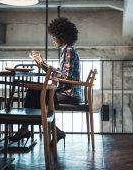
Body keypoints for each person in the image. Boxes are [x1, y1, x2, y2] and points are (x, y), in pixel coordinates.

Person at [9, 17, 82, 145]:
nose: (53, 39)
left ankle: (27, 129)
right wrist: (43, 65)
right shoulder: (66, 50)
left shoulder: (69, 50)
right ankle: (43, 130)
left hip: (70, 94)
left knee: (36, 94)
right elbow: (61, 75)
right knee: (35, 92)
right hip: (65, 92)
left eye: (54, 36)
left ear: (61, 36)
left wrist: (45, 66)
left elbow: (65, 78)